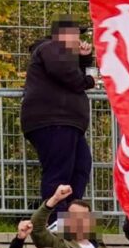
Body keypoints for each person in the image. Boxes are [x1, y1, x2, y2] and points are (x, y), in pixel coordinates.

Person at [21, 20, 97, 217]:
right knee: (59, 173)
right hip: (53, 121)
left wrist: (85, 59)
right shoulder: (50, 48)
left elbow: (71, 75)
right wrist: (87, 81)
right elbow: (67, 75)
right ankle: (54, 221)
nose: (79, 40)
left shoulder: (61, 55)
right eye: (75, 35)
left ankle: (69, 214)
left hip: (68, 123)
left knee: (81, 166)